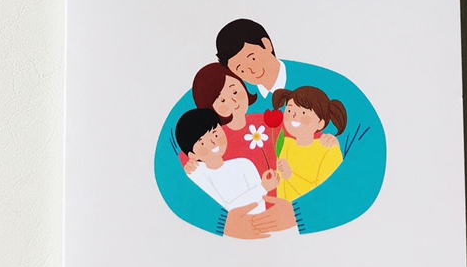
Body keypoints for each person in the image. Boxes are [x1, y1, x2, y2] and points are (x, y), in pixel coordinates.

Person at [154, 18, 386, 238]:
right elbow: (168, 157)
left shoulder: (331, 84)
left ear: (267, 45)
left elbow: (369, 159)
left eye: (253, 58)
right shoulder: (218, 91)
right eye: (240, 68)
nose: (250, 71)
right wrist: (222, 222)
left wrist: (300, 213)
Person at [174, 108, 268, 214]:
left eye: (215, 134)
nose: (213, 142)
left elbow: (261, 205)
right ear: (192, 155)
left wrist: (262, 189)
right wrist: (262, 188)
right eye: (202, 143)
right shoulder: (197, 175)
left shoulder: (244, 164)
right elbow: (224, 209)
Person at [272, 86, 346, 202]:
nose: (294, 116)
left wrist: (291, 176)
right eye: (290, 110)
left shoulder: (329, 150)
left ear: (320, 123)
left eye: (303, 112)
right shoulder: (285, 144)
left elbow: (326, 193)